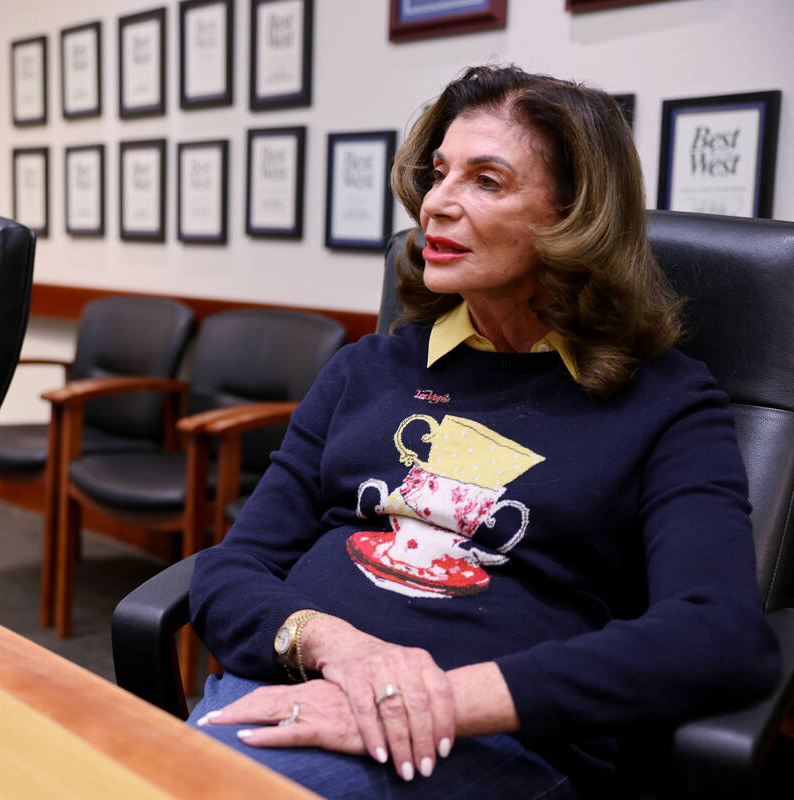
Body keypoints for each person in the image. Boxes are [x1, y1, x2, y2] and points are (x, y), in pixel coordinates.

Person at [187, 64, 781, 799]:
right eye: (439, 174)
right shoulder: (366, 369)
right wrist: (345, 653)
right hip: (297, 690)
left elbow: (717, 635)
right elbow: (226, 572)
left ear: (575, 217)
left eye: (486, 181)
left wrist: (433, 701)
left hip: (496, 740)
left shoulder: (664, 400)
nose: (436, 203)